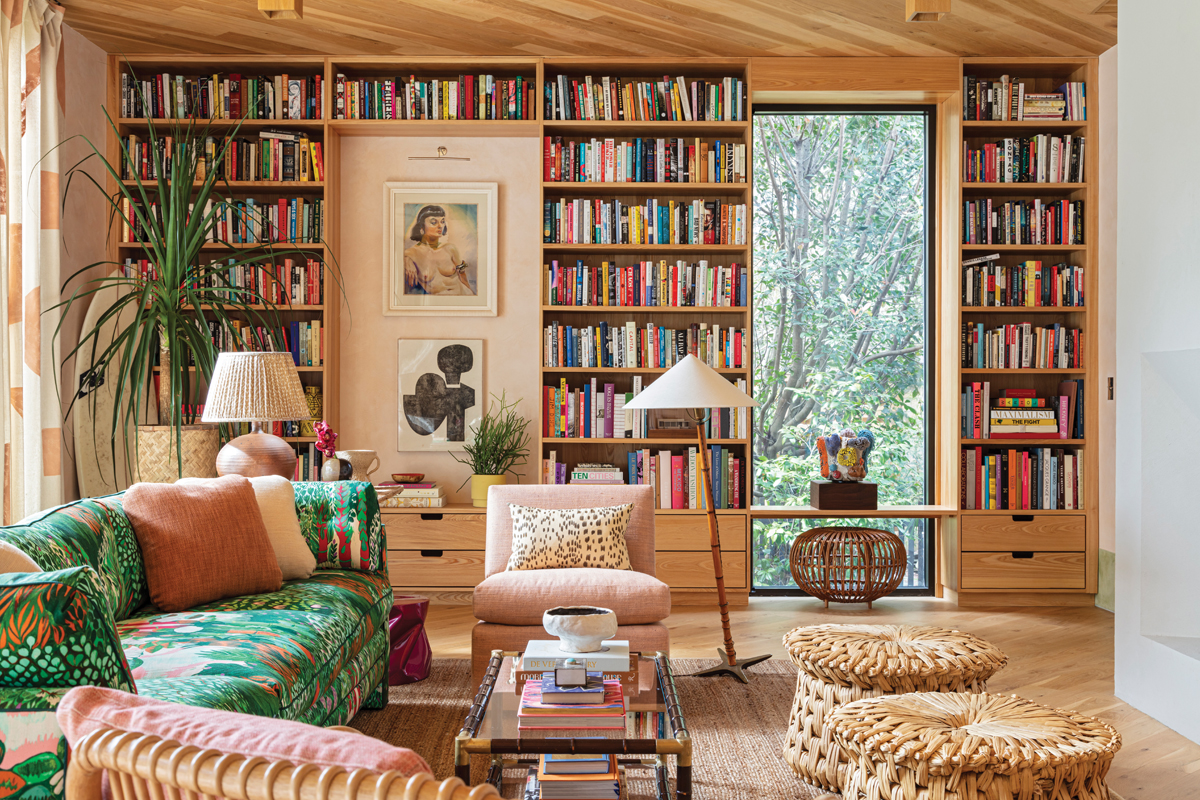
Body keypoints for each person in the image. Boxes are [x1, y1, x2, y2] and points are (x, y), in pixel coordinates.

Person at [403, 204, 475, 296]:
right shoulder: (410, 254)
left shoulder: (450, 249)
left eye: (442, 221)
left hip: (464, 296)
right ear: (421, 227)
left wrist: (472, 297)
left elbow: (462, 275)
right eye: (434, 222)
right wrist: (406, 260)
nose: (440, 226)